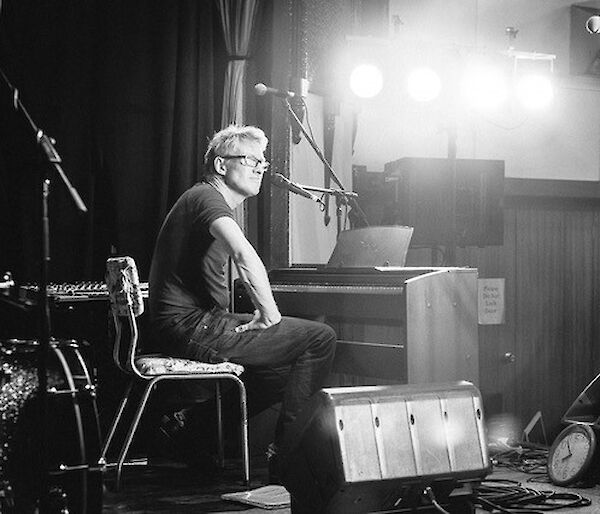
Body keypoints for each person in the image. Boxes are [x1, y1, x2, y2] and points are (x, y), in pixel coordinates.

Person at [148, 124, 336, 480]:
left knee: (280, 371)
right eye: (249, 159)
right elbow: (242, 252)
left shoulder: (204, 199)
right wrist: (268, 313)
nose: (259, 168)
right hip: (190, 325)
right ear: (221, 166)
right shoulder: (207, 198)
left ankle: (190, 427)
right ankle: (289, 456)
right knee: (320, 338)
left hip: (189, 323)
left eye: (262, 163)